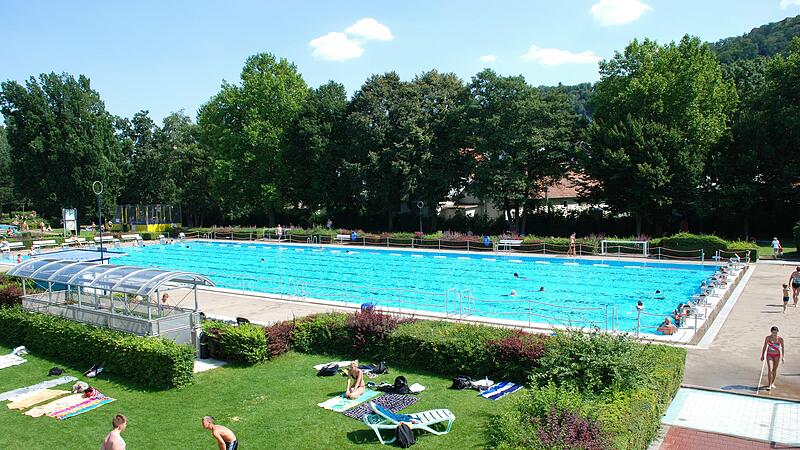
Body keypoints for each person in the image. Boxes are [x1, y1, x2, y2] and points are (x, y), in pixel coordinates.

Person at [760, 326, 785, 391]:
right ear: (771, 332)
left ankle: (773, 383)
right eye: (773, 333)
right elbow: (764, 346)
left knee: (774, 370)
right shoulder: (768, 338)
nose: (774, 334)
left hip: (777, 355)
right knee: (770, 370)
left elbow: (782, 348)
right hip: (769, 355)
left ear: (777, 332)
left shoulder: (780, 339)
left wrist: (783, 357)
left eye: (776, 333)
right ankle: (769, 385)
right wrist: (762, 355)